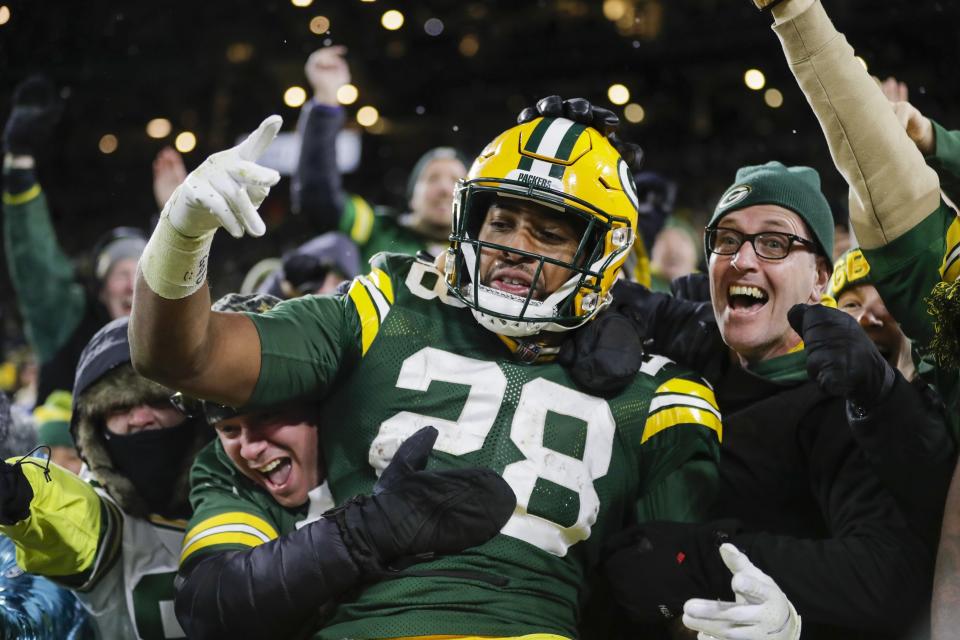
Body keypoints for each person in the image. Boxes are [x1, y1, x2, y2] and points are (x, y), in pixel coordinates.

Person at [130, 113, 723, 638]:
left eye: (549, 233)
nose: (515, 247)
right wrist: (183, 235)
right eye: (501, 222)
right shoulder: (391, 302)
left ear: (603, 254)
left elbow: (677, 605)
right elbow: (181, 358)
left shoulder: (661, 390)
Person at [558, 160, 931, 638]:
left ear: (820, 278)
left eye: (774, 243)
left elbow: (881, 579)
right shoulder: (693, 343)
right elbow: (563, 288)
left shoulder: (848, 404)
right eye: (727, 240)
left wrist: (694, 557)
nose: (742, 260)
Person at [0, 316, 210, 639]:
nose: (141, 418)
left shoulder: (248, 484)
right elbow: (73, 520)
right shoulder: (103, 514)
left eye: (157, 400)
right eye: (119, 408)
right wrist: (22, 493)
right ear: (94, 432)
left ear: (193, 409)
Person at [2, 76, 146, 404]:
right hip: (59, 455)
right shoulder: (69, 322)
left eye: (139, 276)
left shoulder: (168, 337)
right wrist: (19, 165)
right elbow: (35, 263)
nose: (130, 286)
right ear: (101, 287)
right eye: (121, 274)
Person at [293, 46, 469, 261]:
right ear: (412, 197)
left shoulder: (484, 255)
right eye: (432, 178)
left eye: (456, 181)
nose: (444, 189)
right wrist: (325, 102)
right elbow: (318, 197)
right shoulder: (376, 230)